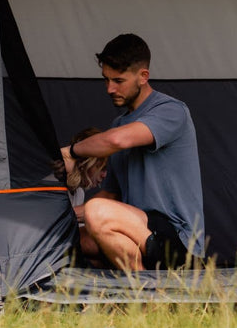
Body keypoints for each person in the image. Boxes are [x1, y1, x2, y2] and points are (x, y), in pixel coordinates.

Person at [60, 33, 204, 272]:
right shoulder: (119, 122)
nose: (109, 88)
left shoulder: (171, 111)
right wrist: (64, 216)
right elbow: (111, 195)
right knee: (76, 238)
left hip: (177, 239)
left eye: (118, 81)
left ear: (143, 77)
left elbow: (117, 140)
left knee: (97, 213)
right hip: (136, 228)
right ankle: (129, 290)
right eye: (105, 80)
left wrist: (71, 152)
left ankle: (145, 296)